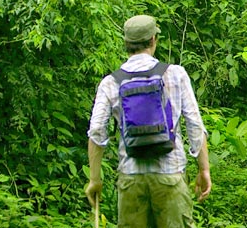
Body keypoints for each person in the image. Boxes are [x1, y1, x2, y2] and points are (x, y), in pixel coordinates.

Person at [85, 15, 212, 227]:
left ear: (126, 43)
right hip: (170, 174)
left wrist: (95, 179)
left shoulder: (110, 82)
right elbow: (195, 126)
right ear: (154, 40)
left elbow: (97, 132)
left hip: (131, 177)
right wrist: (204, 170)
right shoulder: (175, 74)